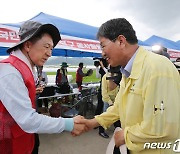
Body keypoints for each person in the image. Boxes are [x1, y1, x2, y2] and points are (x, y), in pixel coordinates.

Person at [80, 18, 180, 154]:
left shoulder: (157, 68)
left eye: (103, 46)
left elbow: (164, 128)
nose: (102, 53)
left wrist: (125, 136)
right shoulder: (128, 72)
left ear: (121, 41)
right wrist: (94, 122)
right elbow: (119, 105)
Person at [0, 20, 86, 154]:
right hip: (10, 145)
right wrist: (68, 124)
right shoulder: (9, 71)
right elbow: (27, 120)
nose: (49, 53)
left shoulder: (28, 68)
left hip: (26, 138)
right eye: (46, 47)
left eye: (51, 48)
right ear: (28, 45)